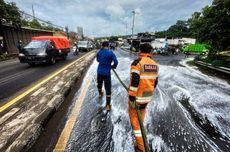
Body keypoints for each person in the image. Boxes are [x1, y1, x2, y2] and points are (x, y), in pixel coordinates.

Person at [128, 43, 159, 151]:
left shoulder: (137, 63)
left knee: (135, 121)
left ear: (140, 51)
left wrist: (132, 97)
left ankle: (141, 147)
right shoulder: (155, 64)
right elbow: (155, 83)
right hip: (147, 97)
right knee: (141, 118)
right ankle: (140, 140)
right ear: (150, 52)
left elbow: (135, 82)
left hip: (137, 98)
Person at [97, 41, 118, 111]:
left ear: (102, 46)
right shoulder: (110, 53)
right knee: (108, 89)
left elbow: (98, 60)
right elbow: (116, 62)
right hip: (107, 73)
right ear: (108, 46)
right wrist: (113, 66)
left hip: (99, 71)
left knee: (99, 84)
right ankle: (108, 105)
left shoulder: (99, 52)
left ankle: (100, 93)